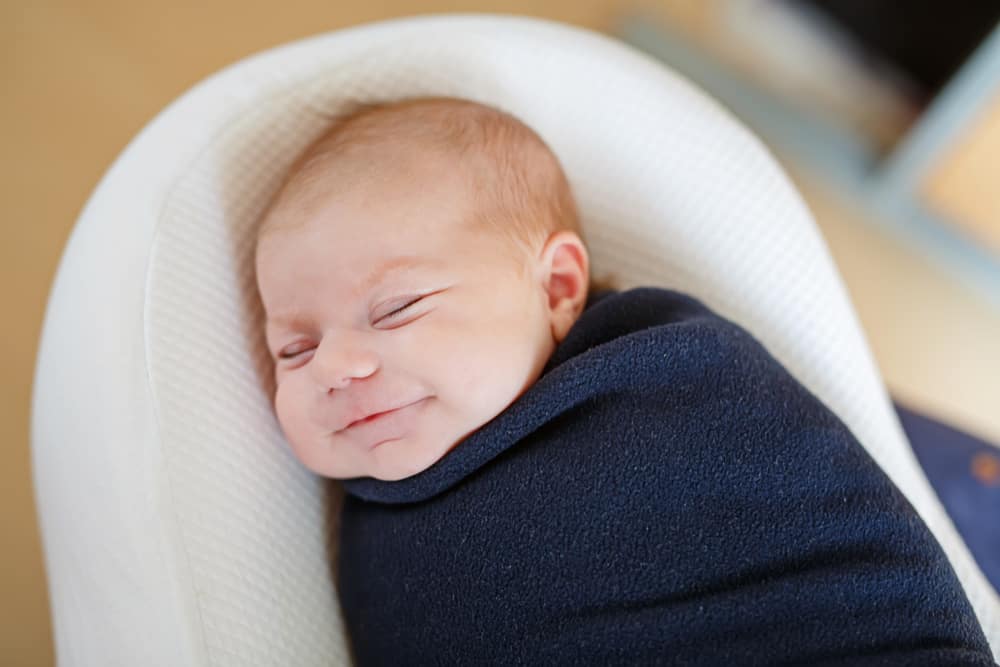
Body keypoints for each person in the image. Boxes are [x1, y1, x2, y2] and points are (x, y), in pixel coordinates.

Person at [254, 97, 995, 665]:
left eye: (397, 308)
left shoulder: (669, 380)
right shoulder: (363, 529)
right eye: (294, 348)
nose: (336, 365)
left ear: (556, 287)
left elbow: (825, 554)